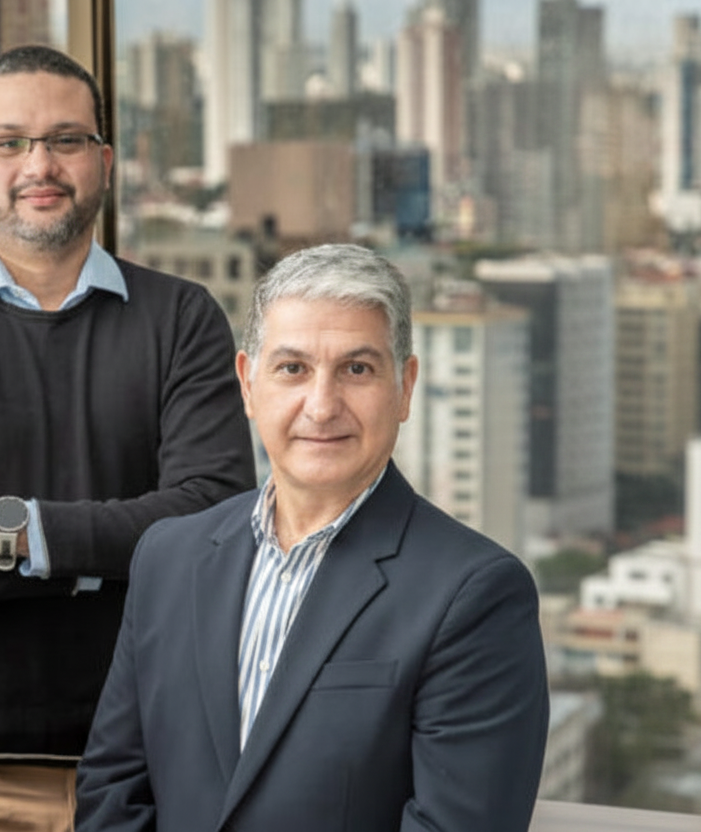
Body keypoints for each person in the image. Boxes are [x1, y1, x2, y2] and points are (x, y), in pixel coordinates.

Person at [0, 44, 256, 831]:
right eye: (8, 142)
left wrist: (4, 528)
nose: (39, 164)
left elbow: (212, 520)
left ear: (103, 161)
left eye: (66, 139)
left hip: (159, 756)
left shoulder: (181, 318)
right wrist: (109, 559)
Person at [75, 243, 550, 832]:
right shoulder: (168, 557)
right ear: (248, 384)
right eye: (293, 369)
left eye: (357, 369)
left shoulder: (476, 594)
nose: (322, 407)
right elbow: (112, 792)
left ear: (405, 387)